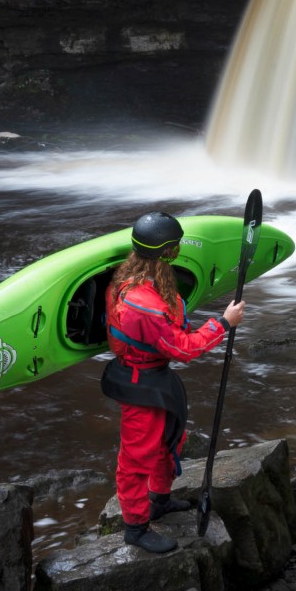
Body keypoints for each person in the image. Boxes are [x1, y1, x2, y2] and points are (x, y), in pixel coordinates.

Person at [102, 211, 245, 554]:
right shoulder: (143, 304)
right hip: (141, 384)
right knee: (136, 458)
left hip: (156, 378)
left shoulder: (132, 277)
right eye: (175, 247)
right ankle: (135, 528)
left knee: (170, 440)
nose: (179, 251)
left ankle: (160, 500)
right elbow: (182, 348)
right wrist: (223, 323)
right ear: (167, 252)